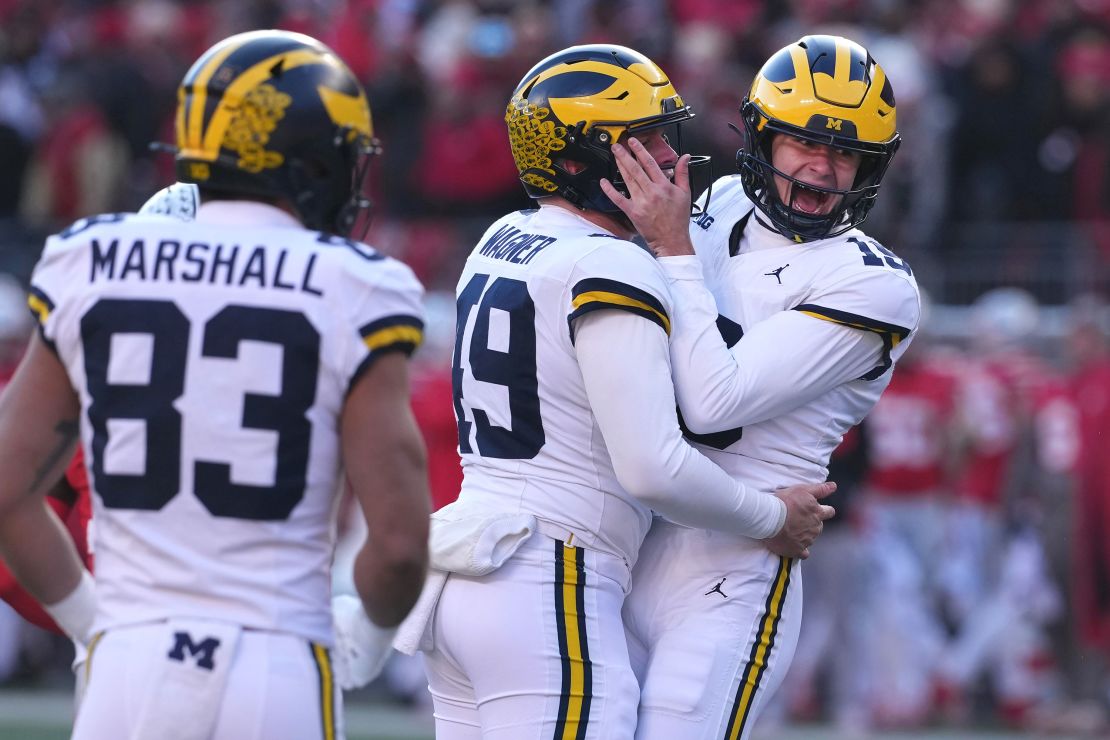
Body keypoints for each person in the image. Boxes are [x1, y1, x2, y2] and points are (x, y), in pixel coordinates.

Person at [0, 29, 431, 739]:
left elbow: (10, 490)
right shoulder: (355, 285)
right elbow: (399, 545)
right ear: (313, 161)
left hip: (129, 661)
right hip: (276, 659)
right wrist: (371, 640)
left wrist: (91, 622)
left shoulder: (92, 260)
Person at [401, 44, 834, 739]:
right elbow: (652, 466)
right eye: (643, 139)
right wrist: (769, 517)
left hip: (467, 568)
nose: (668, 157)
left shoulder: (502, 236)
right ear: (579, 161)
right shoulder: (606, 262)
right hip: (548, 574)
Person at [604, 34, 920, 739]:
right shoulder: (716, 204)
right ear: (762, 137)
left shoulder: (875, 283)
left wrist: (672, 251)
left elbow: (713, 401)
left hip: (739, 561)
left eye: (844, 153)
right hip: (632, 536)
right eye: (804, 142)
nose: (822, 165)